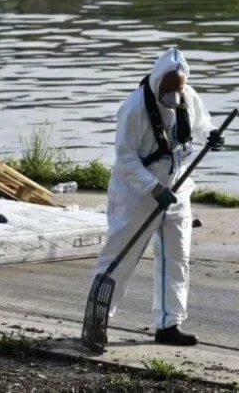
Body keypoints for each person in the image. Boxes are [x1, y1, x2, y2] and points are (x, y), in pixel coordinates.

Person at [91, 48, 225, 346]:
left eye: (177, 88)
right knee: (120, 258)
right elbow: (125, 158)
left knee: (177, 258)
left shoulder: (188, 97)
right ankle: (96, 321)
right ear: (156, 82)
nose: (173, 94)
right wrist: (153, 189)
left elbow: (202, 124)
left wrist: (213, 135)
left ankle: (169, 325)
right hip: (137, 194)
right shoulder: (135, 107)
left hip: (177, 190)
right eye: (168, 88)